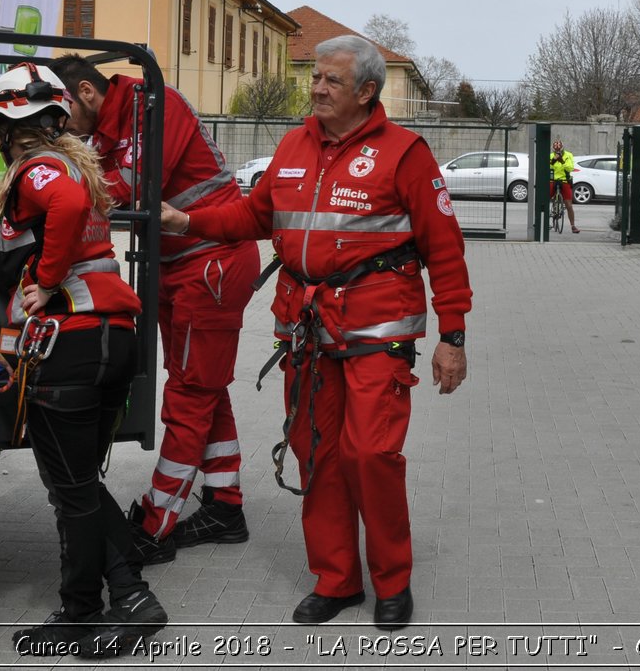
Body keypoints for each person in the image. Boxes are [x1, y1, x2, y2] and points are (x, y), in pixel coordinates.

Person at [159, 34, 471, 631]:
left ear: (367, 91)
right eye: (316, 77)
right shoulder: (296, 144)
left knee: (370, 453)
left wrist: (452, 337)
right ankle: (336, 581)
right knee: (315, 451)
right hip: (306, 328)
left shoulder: (405, 153)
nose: (317, 86)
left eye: (330, 79)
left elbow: (445, 249)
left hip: (378, 329)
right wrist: (188, 219)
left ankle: (392, 581)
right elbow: (254, 216)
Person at [0, 63, 168, 658]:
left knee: (73, 489)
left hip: (71, 345)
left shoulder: (40, 169)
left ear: (8, 124)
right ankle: (85, 606)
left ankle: (129, 600)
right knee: (79, 484)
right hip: (112, 340)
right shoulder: (76, 162)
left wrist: (44, 276)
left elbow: (57, 208)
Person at [50, 54, 261, 566]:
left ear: (86, 92)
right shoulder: (110, 123)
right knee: (205, 385)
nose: (61, 125)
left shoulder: (154, 107)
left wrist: (54, 194)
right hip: (186, 265)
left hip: (211, 264)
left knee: (189, 394)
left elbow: (126, 188)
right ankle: (225, 505)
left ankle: (155, 522)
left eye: (63, 113)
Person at [549, 138, 579, 232]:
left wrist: (562, 161)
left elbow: (570, 168)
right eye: (556, 151)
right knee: (544, 201)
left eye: (559, 151)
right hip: (553, 180)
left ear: (562, 149)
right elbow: (547, 167)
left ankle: (573, 226)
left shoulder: (568, 155)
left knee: (569, 205)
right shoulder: (550, 156)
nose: (558, 153)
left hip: (565, 180)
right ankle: (546, 221)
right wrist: (552, 161)